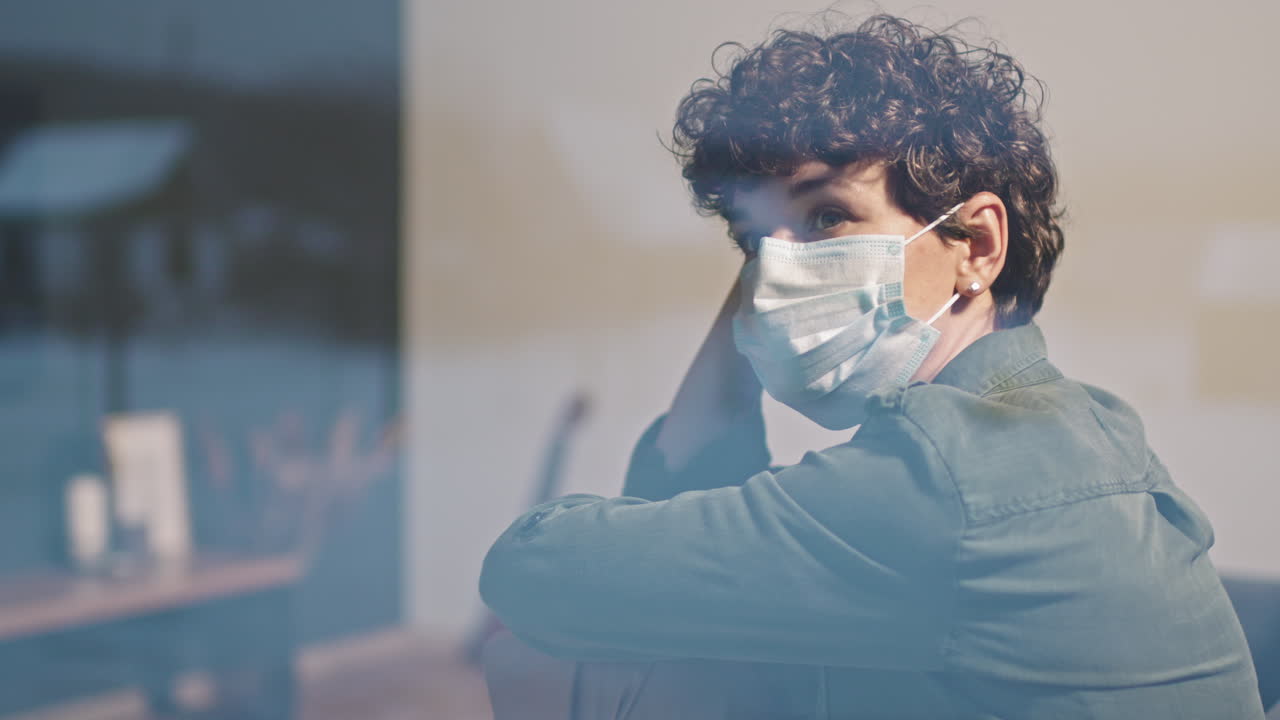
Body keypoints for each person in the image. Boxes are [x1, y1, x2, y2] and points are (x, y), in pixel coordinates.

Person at [478, 13, 1265, 719]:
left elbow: (532, 572)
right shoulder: (1077, 422)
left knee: (548, 660)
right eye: (754, 243)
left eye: (828, 217)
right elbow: (689, 492)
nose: (778, 278)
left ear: (977, 246)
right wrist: (786, 252)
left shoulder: (938, 484)